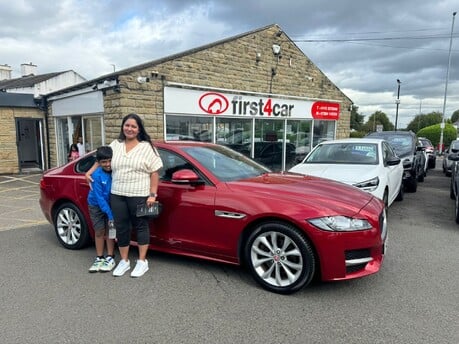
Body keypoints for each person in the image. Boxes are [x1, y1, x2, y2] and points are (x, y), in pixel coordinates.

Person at [86, 113, 163, 278]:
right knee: (121, 227)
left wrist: (152, 194)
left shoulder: (147, 147)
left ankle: (142, 262)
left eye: (134, 126)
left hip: (139, 194)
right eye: (127, 125)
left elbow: (155, 173)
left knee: (141, 226)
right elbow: (101, 158)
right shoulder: (116, 144)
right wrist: (90, 172)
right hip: (117, 194)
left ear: (139, 129)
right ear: (123, 127)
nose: (130, 129)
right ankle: (124, 260)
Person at [87, 146, 116, 273]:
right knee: (99, 231)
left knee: (111, 231)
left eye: (109, 161)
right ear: (98, 162)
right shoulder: (96, 175)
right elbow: (99, 198)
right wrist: (110, 215)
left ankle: (110, 256)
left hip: (111, 203)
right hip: (96, 205)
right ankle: (99, 257)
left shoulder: (116, 171)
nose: (107, 164)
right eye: (104, 162)